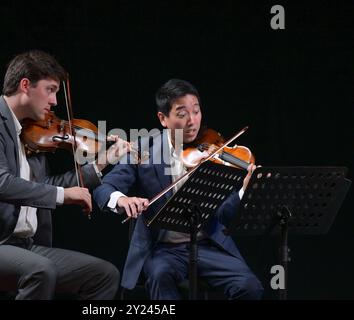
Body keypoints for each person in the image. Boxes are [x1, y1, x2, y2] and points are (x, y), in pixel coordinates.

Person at [0, 50, 125, 300]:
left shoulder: (30, 133)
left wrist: (102, 163)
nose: (55, 101)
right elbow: (1, 185)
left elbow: (45, 185)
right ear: (25, 85)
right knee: (40, 271)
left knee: (104, 275)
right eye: (50, 90)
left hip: (26, 247)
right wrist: (62, 195)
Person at [93, 79, 264, 300]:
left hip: (208, 243)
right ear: (163, 118)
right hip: (164, 249)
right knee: (159, 274)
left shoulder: (213, 150)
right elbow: (104, 188)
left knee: (250, 287)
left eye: (196, 111)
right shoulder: (143, 150)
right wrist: (122, 200)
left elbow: (223, 213)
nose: (192, 121)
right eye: (182, 114)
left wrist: (244, 191)